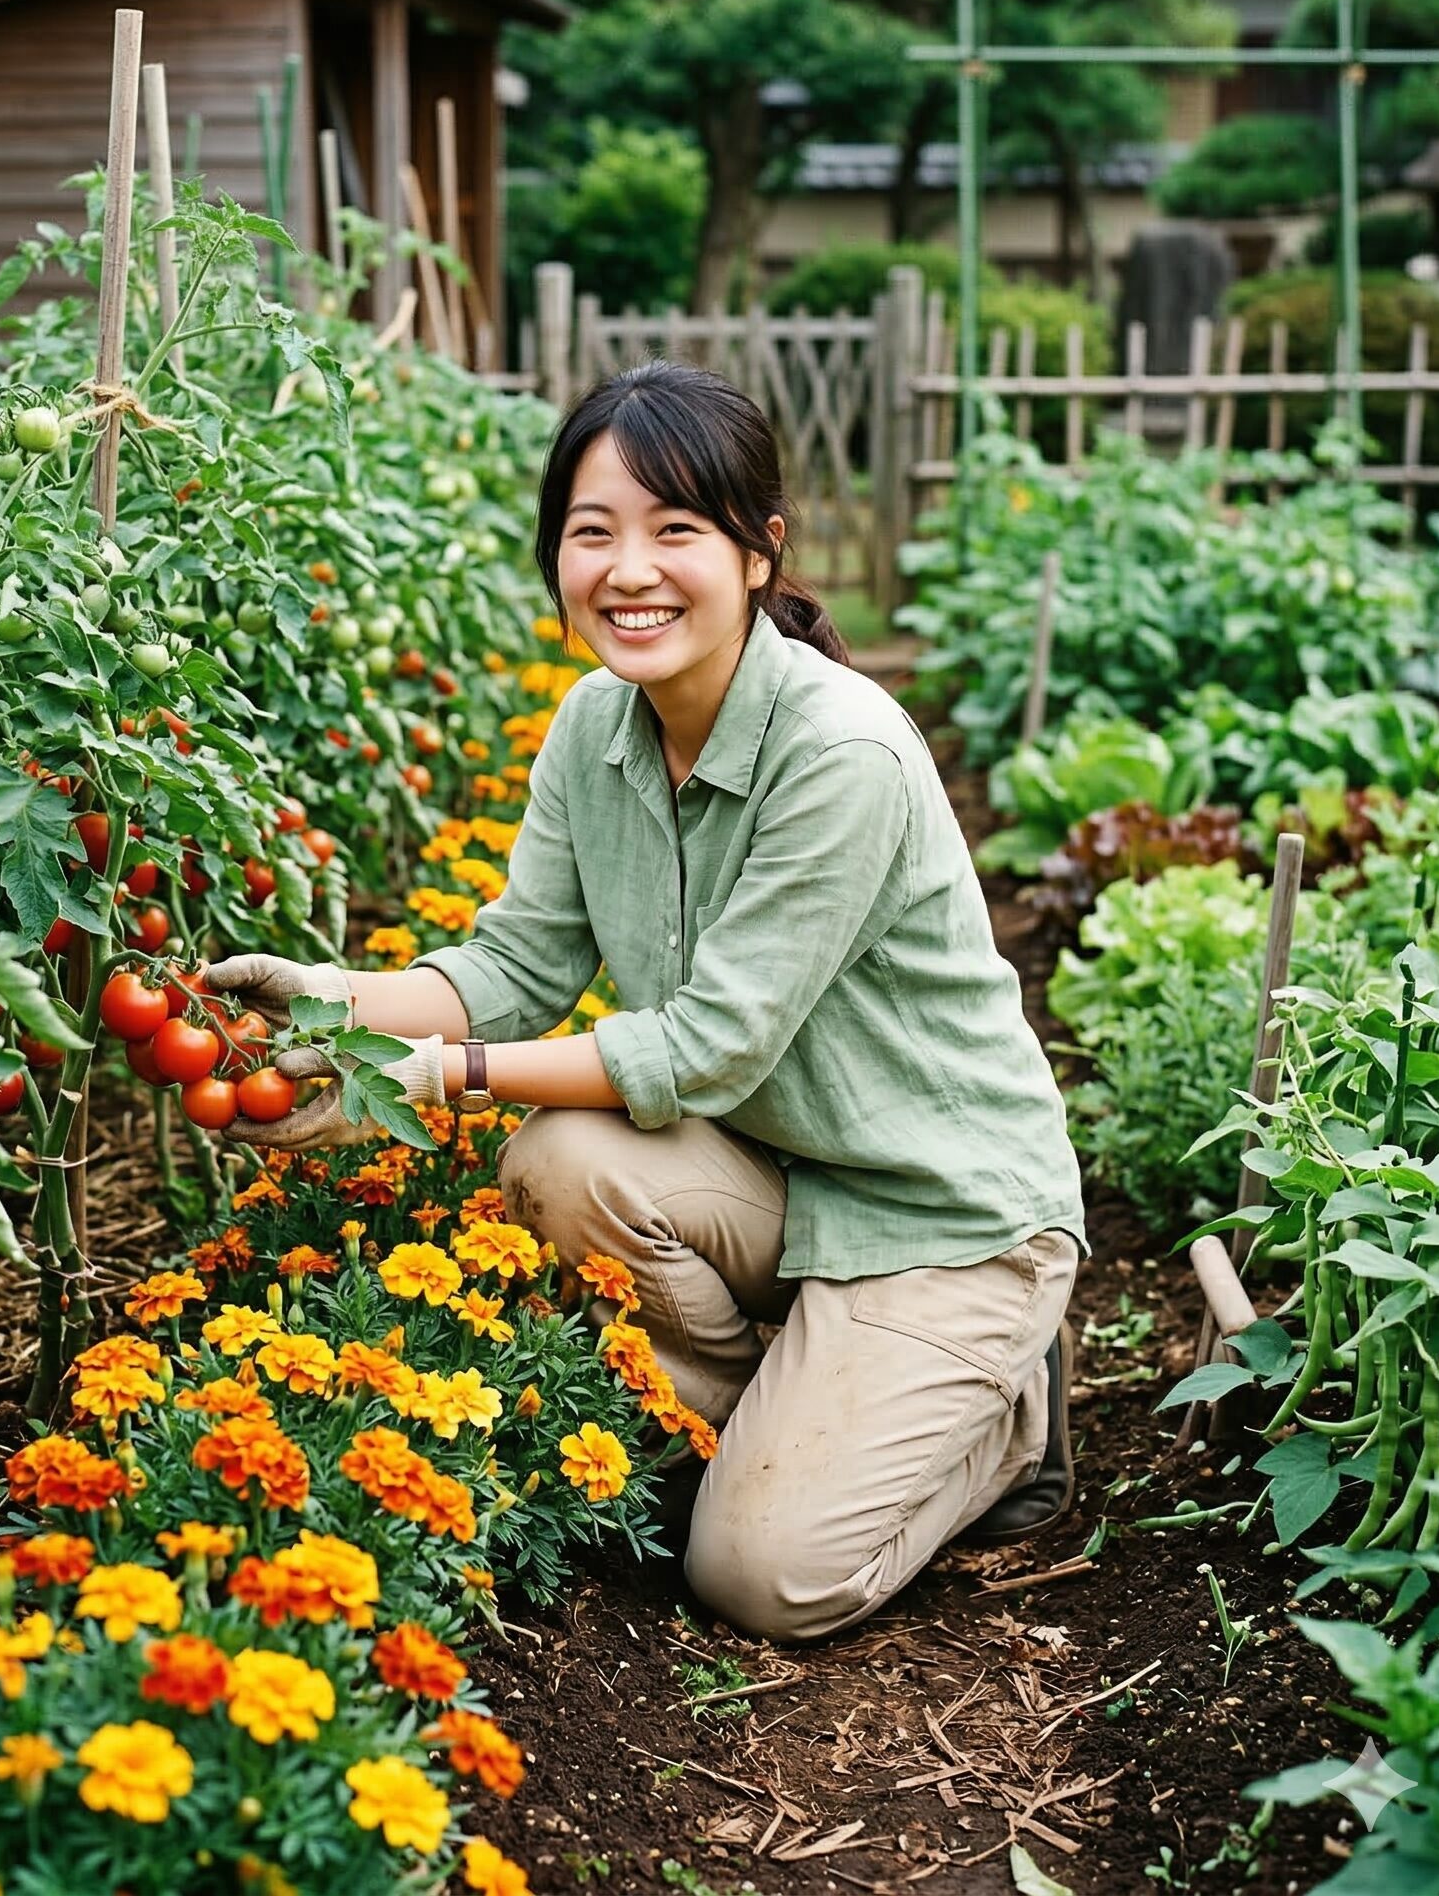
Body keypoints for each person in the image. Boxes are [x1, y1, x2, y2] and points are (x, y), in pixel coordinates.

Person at [206, 361, 1086, 1643]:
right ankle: (796, 1402)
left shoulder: (838, 750)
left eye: (675, 529)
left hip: (941, 1217)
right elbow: (512, 968)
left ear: (757, 551)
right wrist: (323, 1000)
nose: (630, 570)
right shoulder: (590, 727)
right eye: (592, 532)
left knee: (755, 1577)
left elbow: (706, 1048)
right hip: (782, 1181)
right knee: (561, 1156)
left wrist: (440, 1081)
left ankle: (1008, 1421)